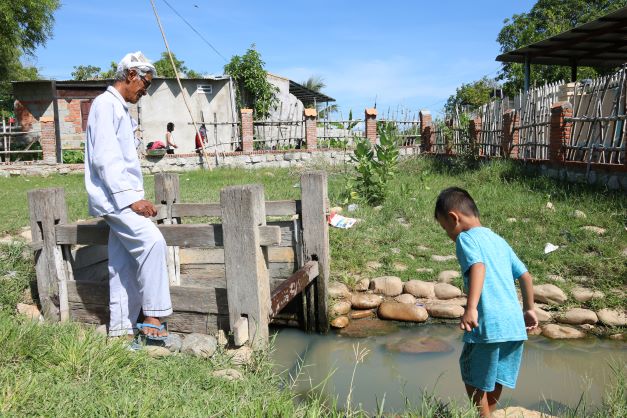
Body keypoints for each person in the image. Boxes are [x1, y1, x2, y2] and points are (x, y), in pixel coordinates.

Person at [84, 51, 172, 341]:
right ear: (131, 75)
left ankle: (120, 329)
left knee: (121, 265)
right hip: (116, 199)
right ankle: (153, 316)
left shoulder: (117, 107)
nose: (145, 91)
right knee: (153, 243)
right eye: (144, 84)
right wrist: (131, 199)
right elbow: (105, 159)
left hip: (118, 197)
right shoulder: (105, 105)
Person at [434, 187, 538, 418]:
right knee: (496, 376)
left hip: (489, 322)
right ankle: (488, 413)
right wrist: (529, 309)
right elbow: (525, 275)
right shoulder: (499, 240)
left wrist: (471, 309)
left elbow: (478, 267)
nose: (447, 234)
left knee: (471, 373)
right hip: (513, 326)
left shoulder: (465, 238)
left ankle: (483, 416)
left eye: (444, 227)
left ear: (454, 218)